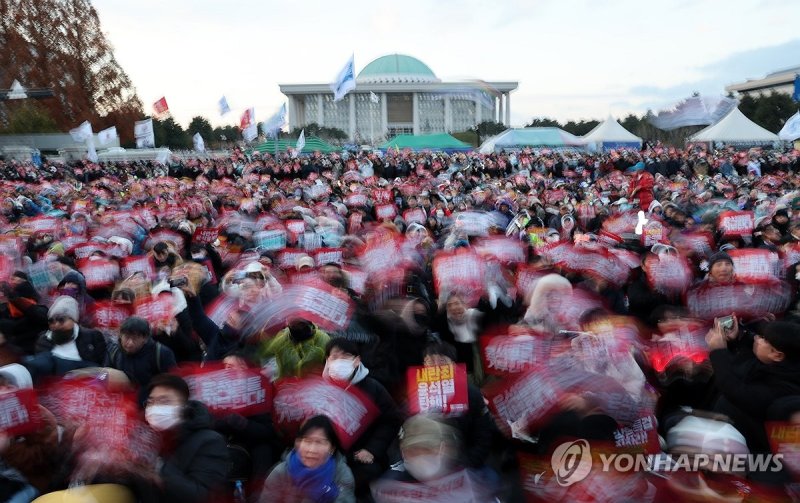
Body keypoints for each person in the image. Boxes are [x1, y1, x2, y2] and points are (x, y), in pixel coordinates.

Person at [322, 338, 403, 498]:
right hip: (327, 457)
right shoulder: (319, 389)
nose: (339, 361)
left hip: (362, 456)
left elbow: (390, 420)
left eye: (345, 356)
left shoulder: (373, 387)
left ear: (357, 361)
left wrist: (372, 450)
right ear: (327, 361)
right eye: (335, 356)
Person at [706, 319, 800, 453]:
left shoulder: (785, 387)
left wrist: (718, 351)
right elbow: (745, 363)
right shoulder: (782, 365)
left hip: (749, 450)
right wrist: (737, 337)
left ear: (777, 355)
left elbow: (734, 389)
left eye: (763, 339)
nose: (757, 338)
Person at [142, 373, 229, 502]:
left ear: (184, 407)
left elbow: (202, 495)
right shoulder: (147, 439)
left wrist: (159, 467)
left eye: (164, 401)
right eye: (151, 402)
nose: (155, 408)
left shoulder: (210, 441)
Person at [421, 342, 496, 469]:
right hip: (426, 462)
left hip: (465, 459)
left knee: (492, 480)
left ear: (454, 366)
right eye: (430, 362)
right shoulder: (416, 395)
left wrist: (468, 463)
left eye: (443, 362)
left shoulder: (471, 394)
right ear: (423, 366)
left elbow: (483, 435)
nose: (436, 367)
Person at [259, 415, 355, 503]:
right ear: (298, 444)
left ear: (332, 448)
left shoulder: (341, 475)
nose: (312, 450)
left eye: (320, 442)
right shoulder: (280, 473)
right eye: (307, 441)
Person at [25, 296, 106, 381]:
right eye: (51, 321)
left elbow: (103, 367)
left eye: (61, 320)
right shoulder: (43, 340)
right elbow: (41, 368)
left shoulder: (92, 336)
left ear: (74, 320)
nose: (56, 325)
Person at [105, 316, 177, 388]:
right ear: (120, 335)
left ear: (145, 338)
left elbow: (173, 384)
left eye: (135, 339)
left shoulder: (161, 353)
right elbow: (105, 377)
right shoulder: (113, 352)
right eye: (126, 337)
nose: (130, 343)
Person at [260, 319, 330, 379]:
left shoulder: (323, 340)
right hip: (288, 382)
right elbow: (266, 351)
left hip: (313, 381)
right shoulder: (283, 338)